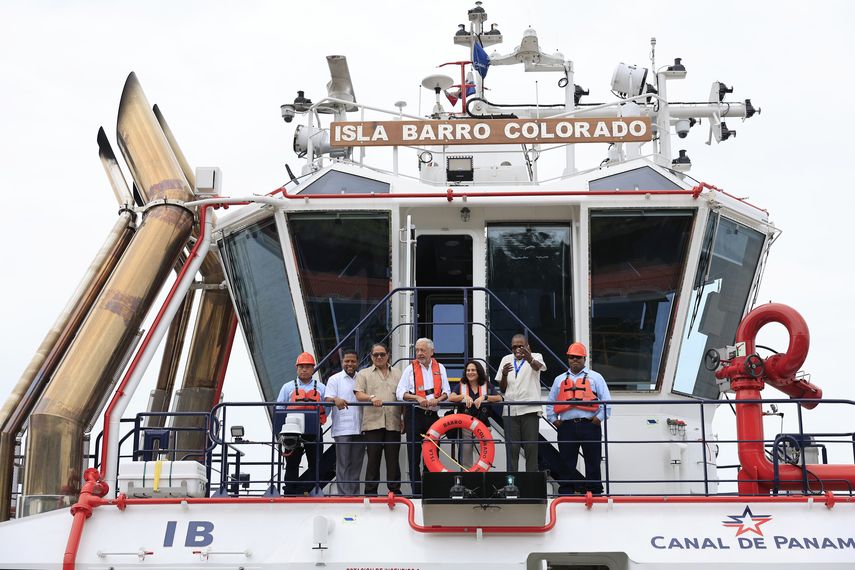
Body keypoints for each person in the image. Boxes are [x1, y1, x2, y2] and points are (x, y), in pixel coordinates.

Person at [546, 342, 611, 495]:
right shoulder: (559, 380)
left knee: (593, 460)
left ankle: (595, 491)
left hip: (590, 426)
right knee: (566, 461)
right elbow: (550, 403)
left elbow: (607, 402)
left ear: (584, 359)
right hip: (566, 427)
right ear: (568, 359)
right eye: (571, 357)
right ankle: (566, 491)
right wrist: (554, 420)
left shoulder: (596, 378)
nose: (574, 360)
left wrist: (598, 419)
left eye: (578, 357)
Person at [396, 338, 451, 496]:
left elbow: (447, 392)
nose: (419, 353)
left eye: (423, 350)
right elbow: (400, 393)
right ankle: (416, 493)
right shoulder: (409, 369)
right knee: (414, 457)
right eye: (417, 350)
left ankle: (430, 492)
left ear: (431, 352)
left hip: (433, 416)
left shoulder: (440, 368)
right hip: (415, 416)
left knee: (432, 456)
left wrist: (438, 399)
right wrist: (417, 398)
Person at [354, 343, 403, 495]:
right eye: (376, 355)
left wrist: (404, 418)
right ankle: (370, 493)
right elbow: (358, 394)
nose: (379, 357)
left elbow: (402, 396)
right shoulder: (363, 374)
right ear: (371, 356)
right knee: (373, 460)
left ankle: (395, 491)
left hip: (393, 422)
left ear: (388, 355)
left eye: (382, 354)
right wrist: (371, 397)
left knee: (393, 459)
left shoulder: (398, 373)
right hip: (373, 423)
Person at [276, 351, 326, 496]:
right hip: (292, 431)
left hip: (314, 430)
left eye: (308, 367)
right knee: (292, 462)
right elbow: (279, 408)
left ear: (313, 369)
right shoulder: (287, 387)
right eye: (301, 366)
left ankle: (309, 489)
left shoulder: (321, 388)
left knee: (315, 462)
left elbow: (326, 409)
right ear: (296, 368)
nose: (304, 369)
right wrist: (280, 433)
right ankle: (289, 492)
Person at [496, 334, 546, 472]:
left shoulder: (536, 356)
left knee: (531, 448)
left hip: (530, 410)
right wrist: (504, 375)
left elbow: (538, 368)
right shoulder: (506, 359)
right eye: (514, 347)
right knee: (512, 449)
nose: (517, 349)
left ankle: (531, 481)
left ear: (527, 346)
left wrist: (529, 357)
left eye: (521, 346)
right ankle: (512, 482)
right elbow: (503, 389)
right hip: (510, 411)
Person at [448, 360, 503, 467]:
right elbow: (451, 397)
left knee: (482, 459)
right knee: (465, 460)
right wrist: (463, 396)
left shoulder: (486, 385)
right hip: (465, 428)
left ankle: (480, 478)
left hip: (483, 426)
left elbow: (499, 398)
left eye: (473, 370)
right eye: (468, 370)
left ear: (479, 372)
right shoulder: (461, 385)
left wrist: (484, 397)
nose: (470, 372)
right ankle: (468, 478)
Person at [324, 349, 364, 495]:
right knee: (343, 464)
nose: (350, 364)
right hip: (342, 428)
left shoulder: (362, 378)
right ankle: (344, 496)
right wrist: (336, 399)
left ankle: (354, 495)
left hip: (360, 427)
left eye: (353, 361)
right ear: (342, 362)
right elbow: (327, 398)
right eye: (347, 361)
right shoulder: (334, 379)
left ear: (357, 362)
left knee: (357, 464)